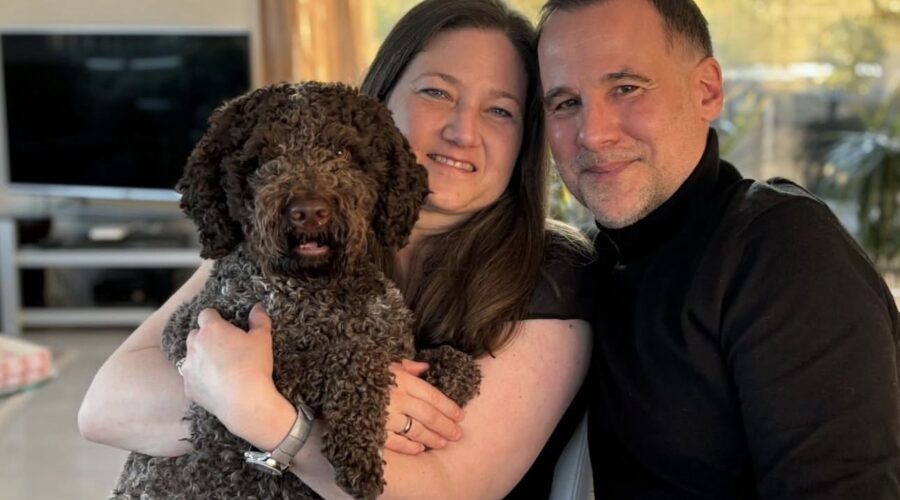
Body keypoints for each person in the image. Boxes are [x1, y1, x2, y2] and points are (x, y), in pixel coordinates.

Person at [79, 0, 594, 498]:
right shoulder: (278, 229)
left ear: (524, 139)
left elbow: (445, 490)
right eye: (436, 92)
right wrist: (331, 396)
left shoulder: (550, 276)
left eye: (499, 110)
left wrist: (263, 408)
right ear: (377, 104)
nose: (463, 131)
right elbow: (105, 410)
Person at [537, 0, 900, 498]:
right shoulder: (581, 268)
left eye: (626, 88)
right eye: (565, 103)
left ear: (707, 90)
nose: (593, 133)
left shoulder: (779, 248)